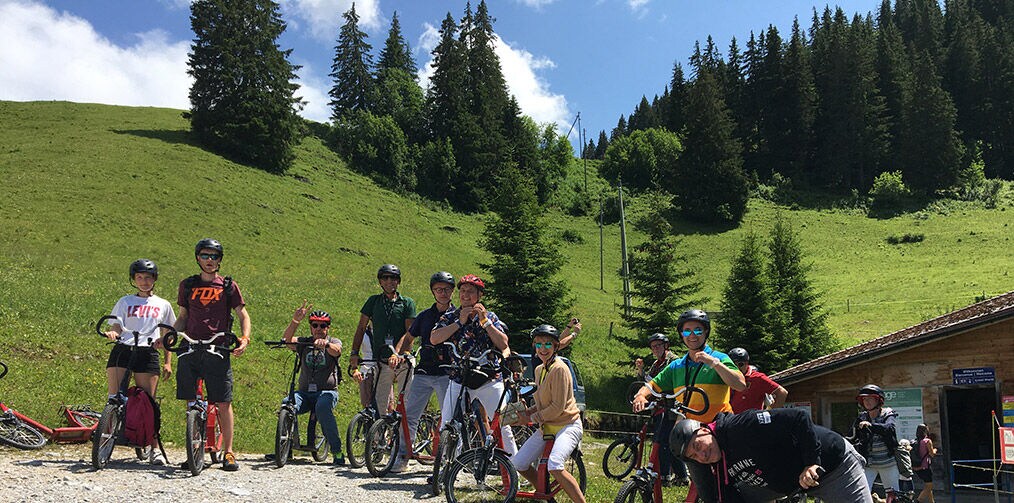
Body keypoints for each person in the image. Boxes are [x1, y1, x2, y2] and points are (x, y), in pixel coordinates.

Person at [631, 309, 746, 501]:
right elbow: (652, 385)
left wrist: (714, 363)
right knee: (703, 489)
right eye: (687, 331)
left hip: (720, 432)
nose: (692, 335)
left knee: (729, 486)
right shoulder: (677, 366)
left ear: (706, 332)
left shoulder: (719, 358)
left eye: (698, 330)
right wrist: (641, 396)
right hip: (692, 435)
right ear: (681, 334)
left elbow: (740, 384)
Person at [670, 408, 874, 503]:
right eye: (694, 456)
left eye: (698, 445)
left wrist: (811, 462)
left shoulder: (741, 427)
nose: (701, 454)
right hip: (781, 481)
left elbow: (798, 417)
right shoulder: (713, 464)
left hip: (833, 467)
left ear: (705, 430)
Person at [170, 238, 251, 471]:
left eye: (214, 256)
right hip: (191, 346)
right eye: (205, 255)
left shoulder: (228, 286)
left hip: (218, 348)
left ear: (220, 260)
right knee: (190, 400)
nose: (209, 260)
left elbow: (243, 315)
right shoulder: (187, 285)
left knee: (224, 402)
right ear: (197, 258)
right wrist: (171, 335)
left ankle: (229, 452)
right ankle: (195, 450)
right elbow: (183, 317)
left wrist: (244, 339)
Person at [431, 273, 517, 454]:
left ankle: (512, 471)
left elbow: (503, 343)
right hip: (459, 377)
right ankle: (447, 468)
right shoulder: (451, 316)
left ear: (479, 296)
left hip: (488, 378)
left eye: (470, 292)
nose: (465, 295)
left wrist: (485, 321)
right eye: (462, 291)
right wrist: (459, 322)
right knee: (447, 423)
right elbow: (434, 339)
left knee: (501, 424)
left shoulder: (490, 316)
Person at [102, 258, 176, 465]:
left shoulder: (163, 304)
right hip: (124, 349)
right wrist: (112, 333)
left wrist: (168, 362)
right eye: (140, 277)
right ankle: (105, 441)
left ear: (155, 279)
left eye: (148, 278)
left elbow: (168, 334)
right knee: (114, 398)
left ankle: (154, 449)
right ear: (134, 279)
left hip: (148, 352)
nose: (144, 282)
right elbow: (116, 325)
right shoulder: (125, 301)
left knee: (148, 403)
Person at [388, 271, 455, 473]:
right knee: (410, 415)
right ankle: (402, 456)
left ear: (452, 291)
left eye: (446, 289)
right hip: (424, 371)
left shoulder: (458, 315)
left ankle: (448, 461)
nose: (442, 293)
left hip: (447, 373)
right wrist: (400, 353)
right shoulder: (425, 316)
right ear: (433, 292)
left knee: (449, 418)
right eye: (438, 289)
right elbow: (408, 337)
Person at [511, 325, 586, 503]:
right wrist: (527, 411)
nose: (542, 349)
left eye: (547, 344)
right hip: (547, 426)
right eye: (538, 345)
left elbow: (558, 407)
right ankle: (547, 495)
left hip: (568, 425)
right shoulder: (539, 370)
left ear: (555, 346)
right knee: (519, 463)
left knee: (555, 466)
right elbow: (543, 403)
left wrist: (530, 418)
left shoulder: (559, 369)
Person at [349, 264, 416, 422]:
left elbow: (410, 332)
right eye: (385, 278)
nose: (389, 281)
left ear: (398, 281)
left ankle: (406, 440)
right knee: (379, 405)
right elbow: (360, 328)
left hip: (403, 359)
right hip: (382, 360)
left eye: (393, 278)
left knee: (406, 402)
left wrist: (398, 353)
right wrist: (354, 353)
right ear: (380, 282)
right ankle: (379, 441)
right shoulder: (373, 301)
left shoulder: (407, 303)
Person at [281, 302, 344, 466]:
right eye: (315, 325)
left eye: (323, 326)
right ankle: (285, 447)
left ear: (328, 328)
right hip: (304, 394)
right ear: (310, 327)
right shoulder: (304, 342)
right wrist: (295, 321)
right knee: (287, 404)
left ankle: (337, 451)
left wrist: (327, 344)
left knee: (323, 407)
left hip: (327, 392)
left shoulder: (333, 341)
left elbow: (337, 350)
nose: (318, 328)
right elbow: (287, 341)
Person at [635, 333, 687, 486]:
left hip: (672, 408)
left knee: (663, 441)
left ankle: (664, 476)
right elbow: (650, 383)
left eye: (658, 345)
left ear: (666, 346)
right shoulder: (656, 364)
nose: (655, 349)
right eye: (653, 347)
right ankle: (681, 477)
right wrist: (640, 370)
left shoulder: (674, 361)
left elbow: (677, 382)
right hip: (659, 407)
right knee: (666, 442)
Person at [848, 384, 900, 500]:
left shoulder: (887, 413)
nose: (867, 402)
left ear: (879, 400)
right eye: (864, 399)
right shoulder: (862, 417)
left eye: (870, 398)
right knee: (861, 493)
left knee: (893, 495)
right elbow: (852, 436)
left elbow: (889, 428)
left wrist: (871, 425)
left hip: (887, 463)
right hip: (868, 463)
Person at [728, 348, 788, 413]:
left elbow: (782, 392)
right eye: (733, 365)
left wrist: (770, 414)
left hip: (751, 420)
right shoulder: (726, 376)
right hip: (730, 420)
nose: (737, 368)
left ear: (747, 363)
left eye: (740, 364)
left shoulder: (757, 378)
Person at [914, 424, 938, 503]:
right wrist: (935, 450)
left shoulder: (915, 441)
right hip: (925, 467)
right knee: (929, 486)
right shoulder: (927, 441)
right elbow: (932, 454)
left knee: (928, 485)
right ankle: (918, 500)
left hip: (916, 467)